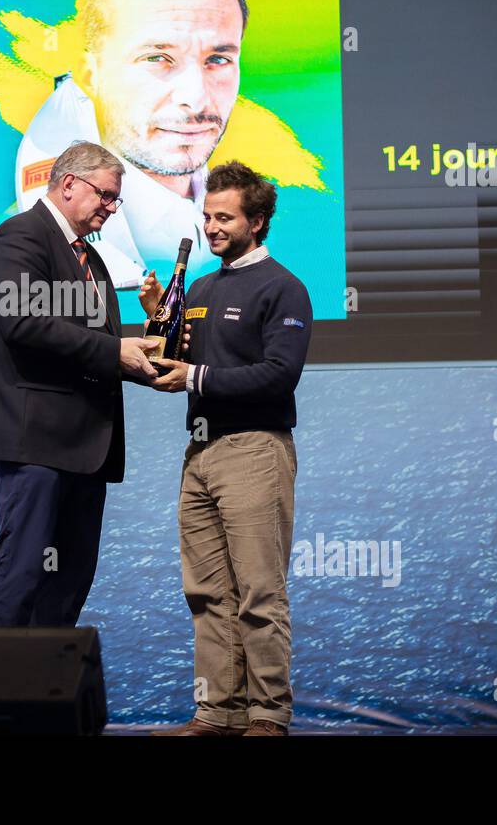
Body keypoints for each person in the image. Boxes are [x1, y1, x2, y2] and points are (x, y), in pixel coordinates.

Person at [142, 160, 312, 736]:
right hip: (199, 453)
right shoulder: (201, 287)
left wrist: (194, 377)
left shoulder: (283, 288)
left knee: (259, 595)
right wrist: (156, 324)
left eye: (225, 217)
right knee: (208, 594)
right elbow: (180, 358)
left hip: (255, 451)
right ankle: (218, 713)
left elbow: (276, 375)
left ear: (257, 221)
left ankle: (267, 717)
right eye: (207, 215)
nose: (212, 226)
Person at [0, 140, 158, 627]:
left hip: (87, 447)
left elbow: (95, 346)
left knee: (69, 580)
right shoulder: (18, 237)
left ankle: (42, 695)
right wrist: (116, 351)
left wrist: (148, 351)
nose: (112, 209)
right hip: (35, 443)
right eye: (107, 196)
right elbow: (23, 323)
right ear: (70, 183)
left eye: (117, 200)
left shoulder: (92, 261)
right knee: (23, 570)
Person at [14, 0, 248, 289]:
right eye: (157, 57)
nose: (196, 98)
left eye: (217, 59)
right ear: (91, 74)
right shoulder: (23, 245)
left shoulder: (280, 219)